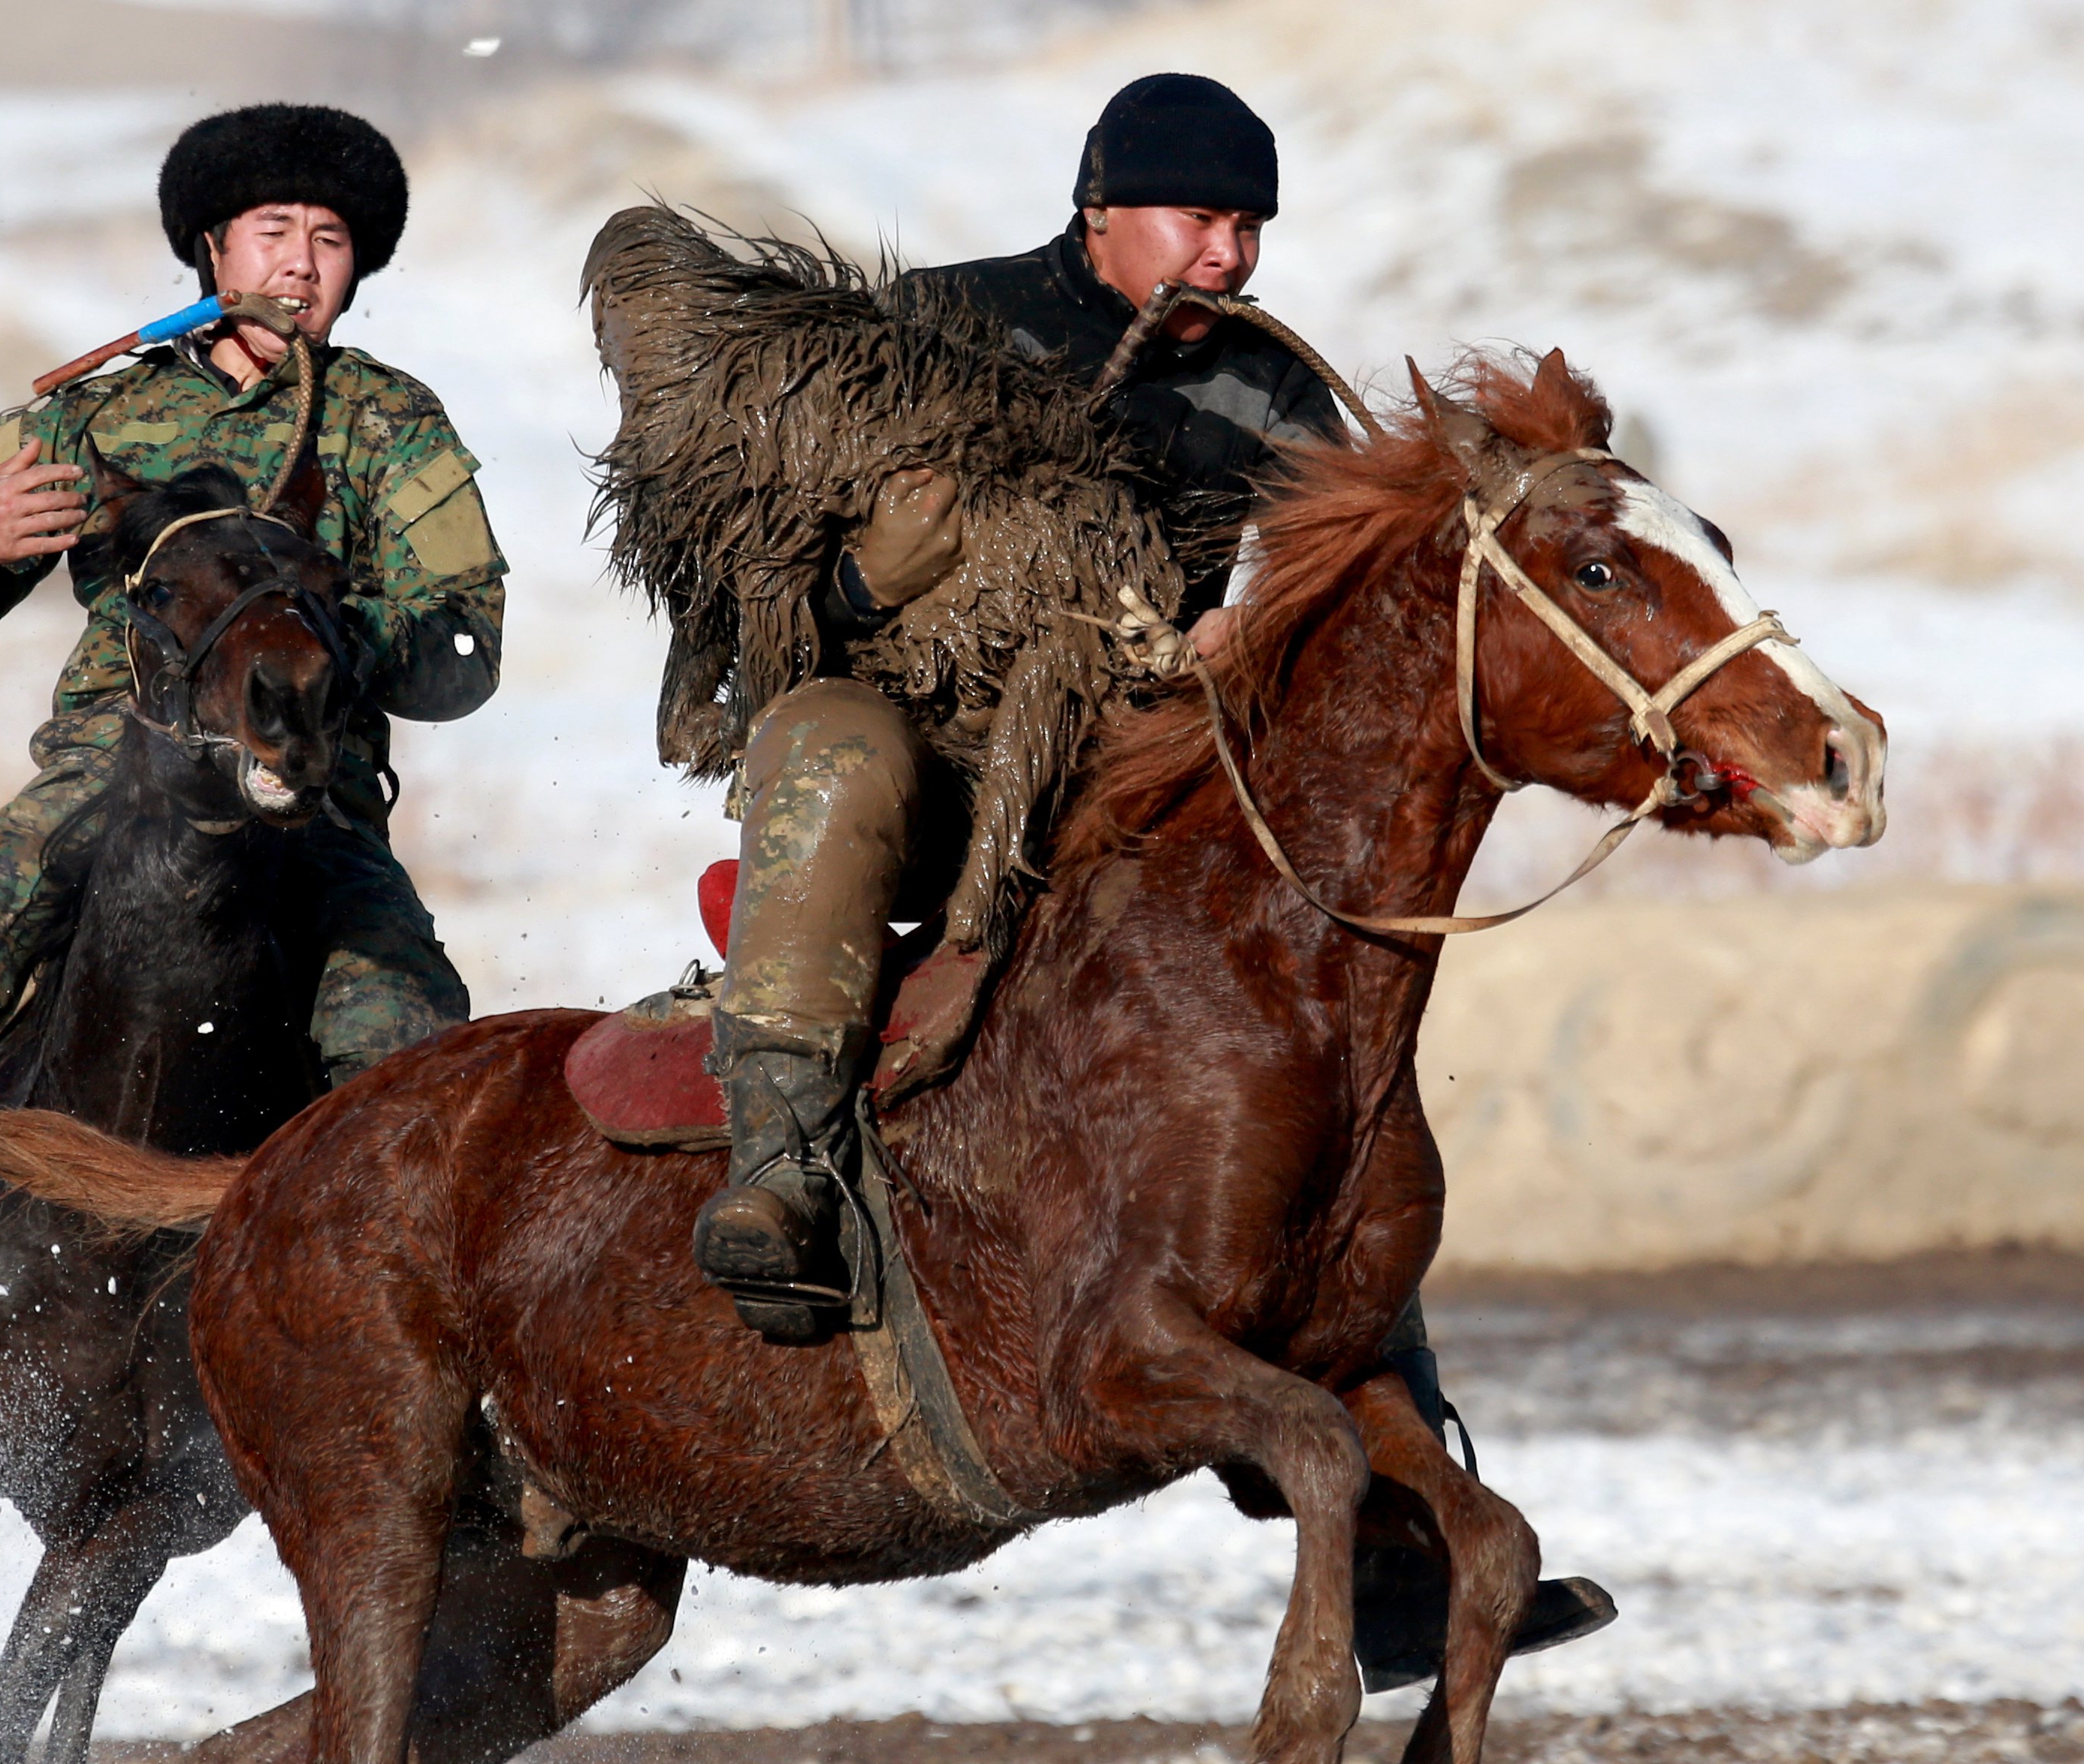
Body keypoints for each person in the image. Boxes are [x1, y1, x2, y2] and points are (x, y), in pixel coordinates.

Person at [688, 73, 1611, 1681]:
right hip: (907, 739)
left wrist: (1237, 649)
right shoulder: (924, 334)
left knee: (1306, 1048)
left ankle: (1402, 1535)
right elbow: (732, 603)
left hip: (1119, 772)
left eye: (1252, 226)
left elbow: (1340, 614)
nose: (1233, 257)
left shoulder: (1273, 394)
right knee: (833, 752)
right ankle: (777, 1161)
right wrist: (859, 577)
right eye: (1203, 220)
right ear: (1103, 210)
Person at [0, 104, 506, 1382]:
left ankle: (425, 1341)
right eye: (274, 233)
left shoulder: (394, 426)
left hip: (305, 784)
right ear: (211, 248)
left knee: (407, 1020)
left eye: (331, 241)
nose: (302, 265)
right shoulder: (87, 417)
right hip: (120, 761)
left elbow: (469, 654)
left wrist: (319, 646)